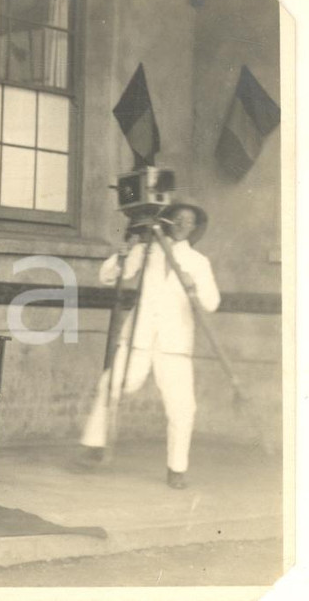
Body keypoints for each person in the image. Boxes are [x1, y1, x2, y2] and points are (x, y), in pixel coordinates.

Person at [76, 202, 220, 489]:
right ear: (168, 221)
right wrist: (121, 255)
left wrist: (194, 286)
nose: (181, 225)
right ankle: (95, 445)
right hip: (139, 337)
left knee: (183, 407)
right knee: (112, 384)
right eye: (177, 219)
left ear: (194, 228)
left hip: (175, 343)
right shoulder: (148, 251)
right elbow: (109, 276)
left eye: (188, 222)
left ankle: (176, 468)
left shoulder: (198, 262)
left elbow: (212, 303)